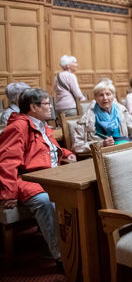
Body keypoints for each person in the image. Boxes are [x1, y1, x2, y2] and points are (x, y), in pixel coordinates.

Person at [0, 88, 77, 267]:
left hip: (51, 175)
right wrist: (9, 193)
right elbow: (7, 162)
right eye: (46, 103)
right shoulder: (19, 126)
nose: (51, 107)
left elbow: (49, 147)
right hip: (29, 179)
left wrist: (66, 153)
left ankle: (75, 245)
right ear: (33, 107)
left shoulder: (42, 124)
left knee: (78, 194)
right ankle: (60, 256)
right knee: (46, 201)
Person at [72, 81, 132, 153]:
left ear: (113, 96)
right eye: (101, 95)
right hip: (100, 156)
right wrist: (101, 145)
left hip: (124, 151)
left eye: (108, 94)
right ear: (95, 98)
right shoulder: (87, 118)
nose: (105, 98)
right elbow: (77, 146)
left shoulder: (121, 111)